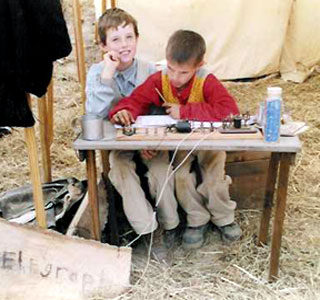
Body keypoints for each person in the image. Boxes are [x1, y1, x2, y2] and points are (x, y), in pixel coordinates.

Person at [109, 29, 242, 251]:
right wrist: (123, 112)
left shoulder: (206, 81)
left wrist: (185, 111)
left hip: (210, 142)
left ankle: (224, 218)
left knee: (214, 177)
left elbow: (229, 111)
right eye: (171, 69)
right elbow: (136, 101)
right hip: (182, 144)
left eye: (183, 72)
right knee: (181, 175)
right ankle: (196, 220)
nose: (175, 77)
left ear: (199, 65)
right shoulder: (159, 80)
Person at [85, 8, 180, 264]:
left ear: (137, 39)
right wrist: (108, 76)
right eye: (115, 39)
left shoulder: (150, 71)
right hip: (118, 143)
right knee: (121, 170)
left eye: (129, 37)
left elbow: (162, 112)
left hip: (149, 141)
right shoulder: (97, 73)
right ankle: (150, 232)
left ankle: (171, 225)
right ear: (104, 45)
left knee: (161, 169)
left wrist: (150, 144)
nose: (124, 45)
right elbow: (95, 114)